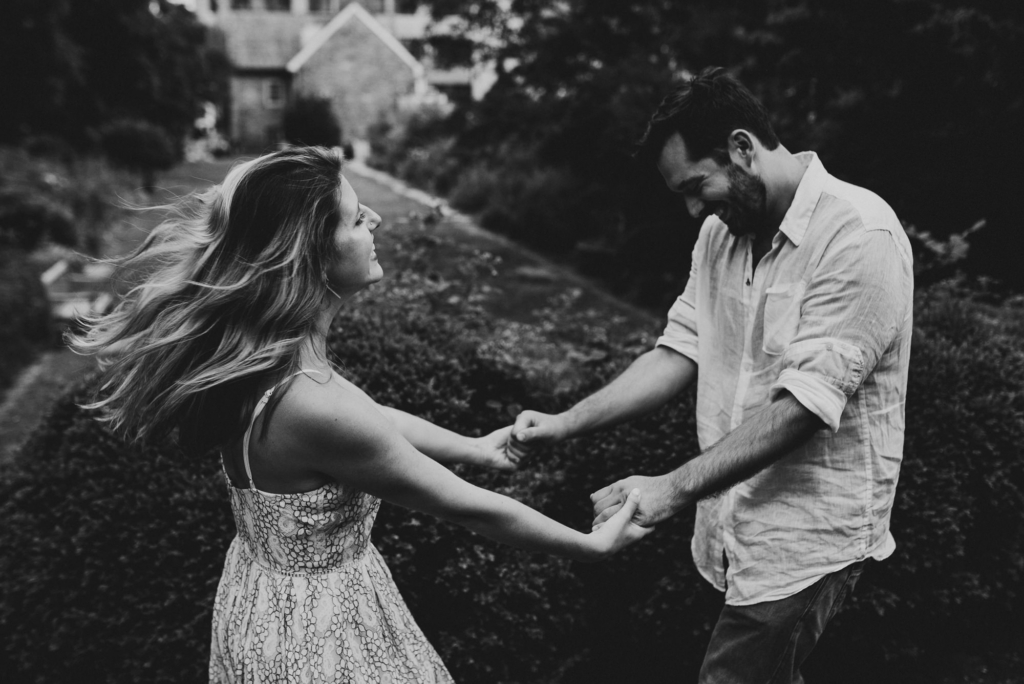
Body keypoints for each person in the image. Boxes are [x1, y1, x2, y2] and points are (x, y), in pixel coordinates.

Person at [69, 146, 651, 683]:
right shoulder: (315, 404)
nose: (374, 220)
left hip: (261, 604)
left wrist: (473, 447)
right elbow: (468, 507)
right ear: (311, 257)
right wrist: (588, 546)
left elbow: (375, 420)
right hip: (322, 637)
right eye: (353, 218)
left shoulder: (263, 363)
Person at [507, 67, 914, 683]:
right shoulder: (719, 237)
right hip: (731, 527)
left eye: (698, 186)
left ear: (743, 148)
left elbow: (802, 407)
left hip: (805, 537)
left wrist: (668, 489)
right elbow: (678, 353)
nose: (695, 208)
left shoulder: (860, 234)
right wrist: (566, 424)